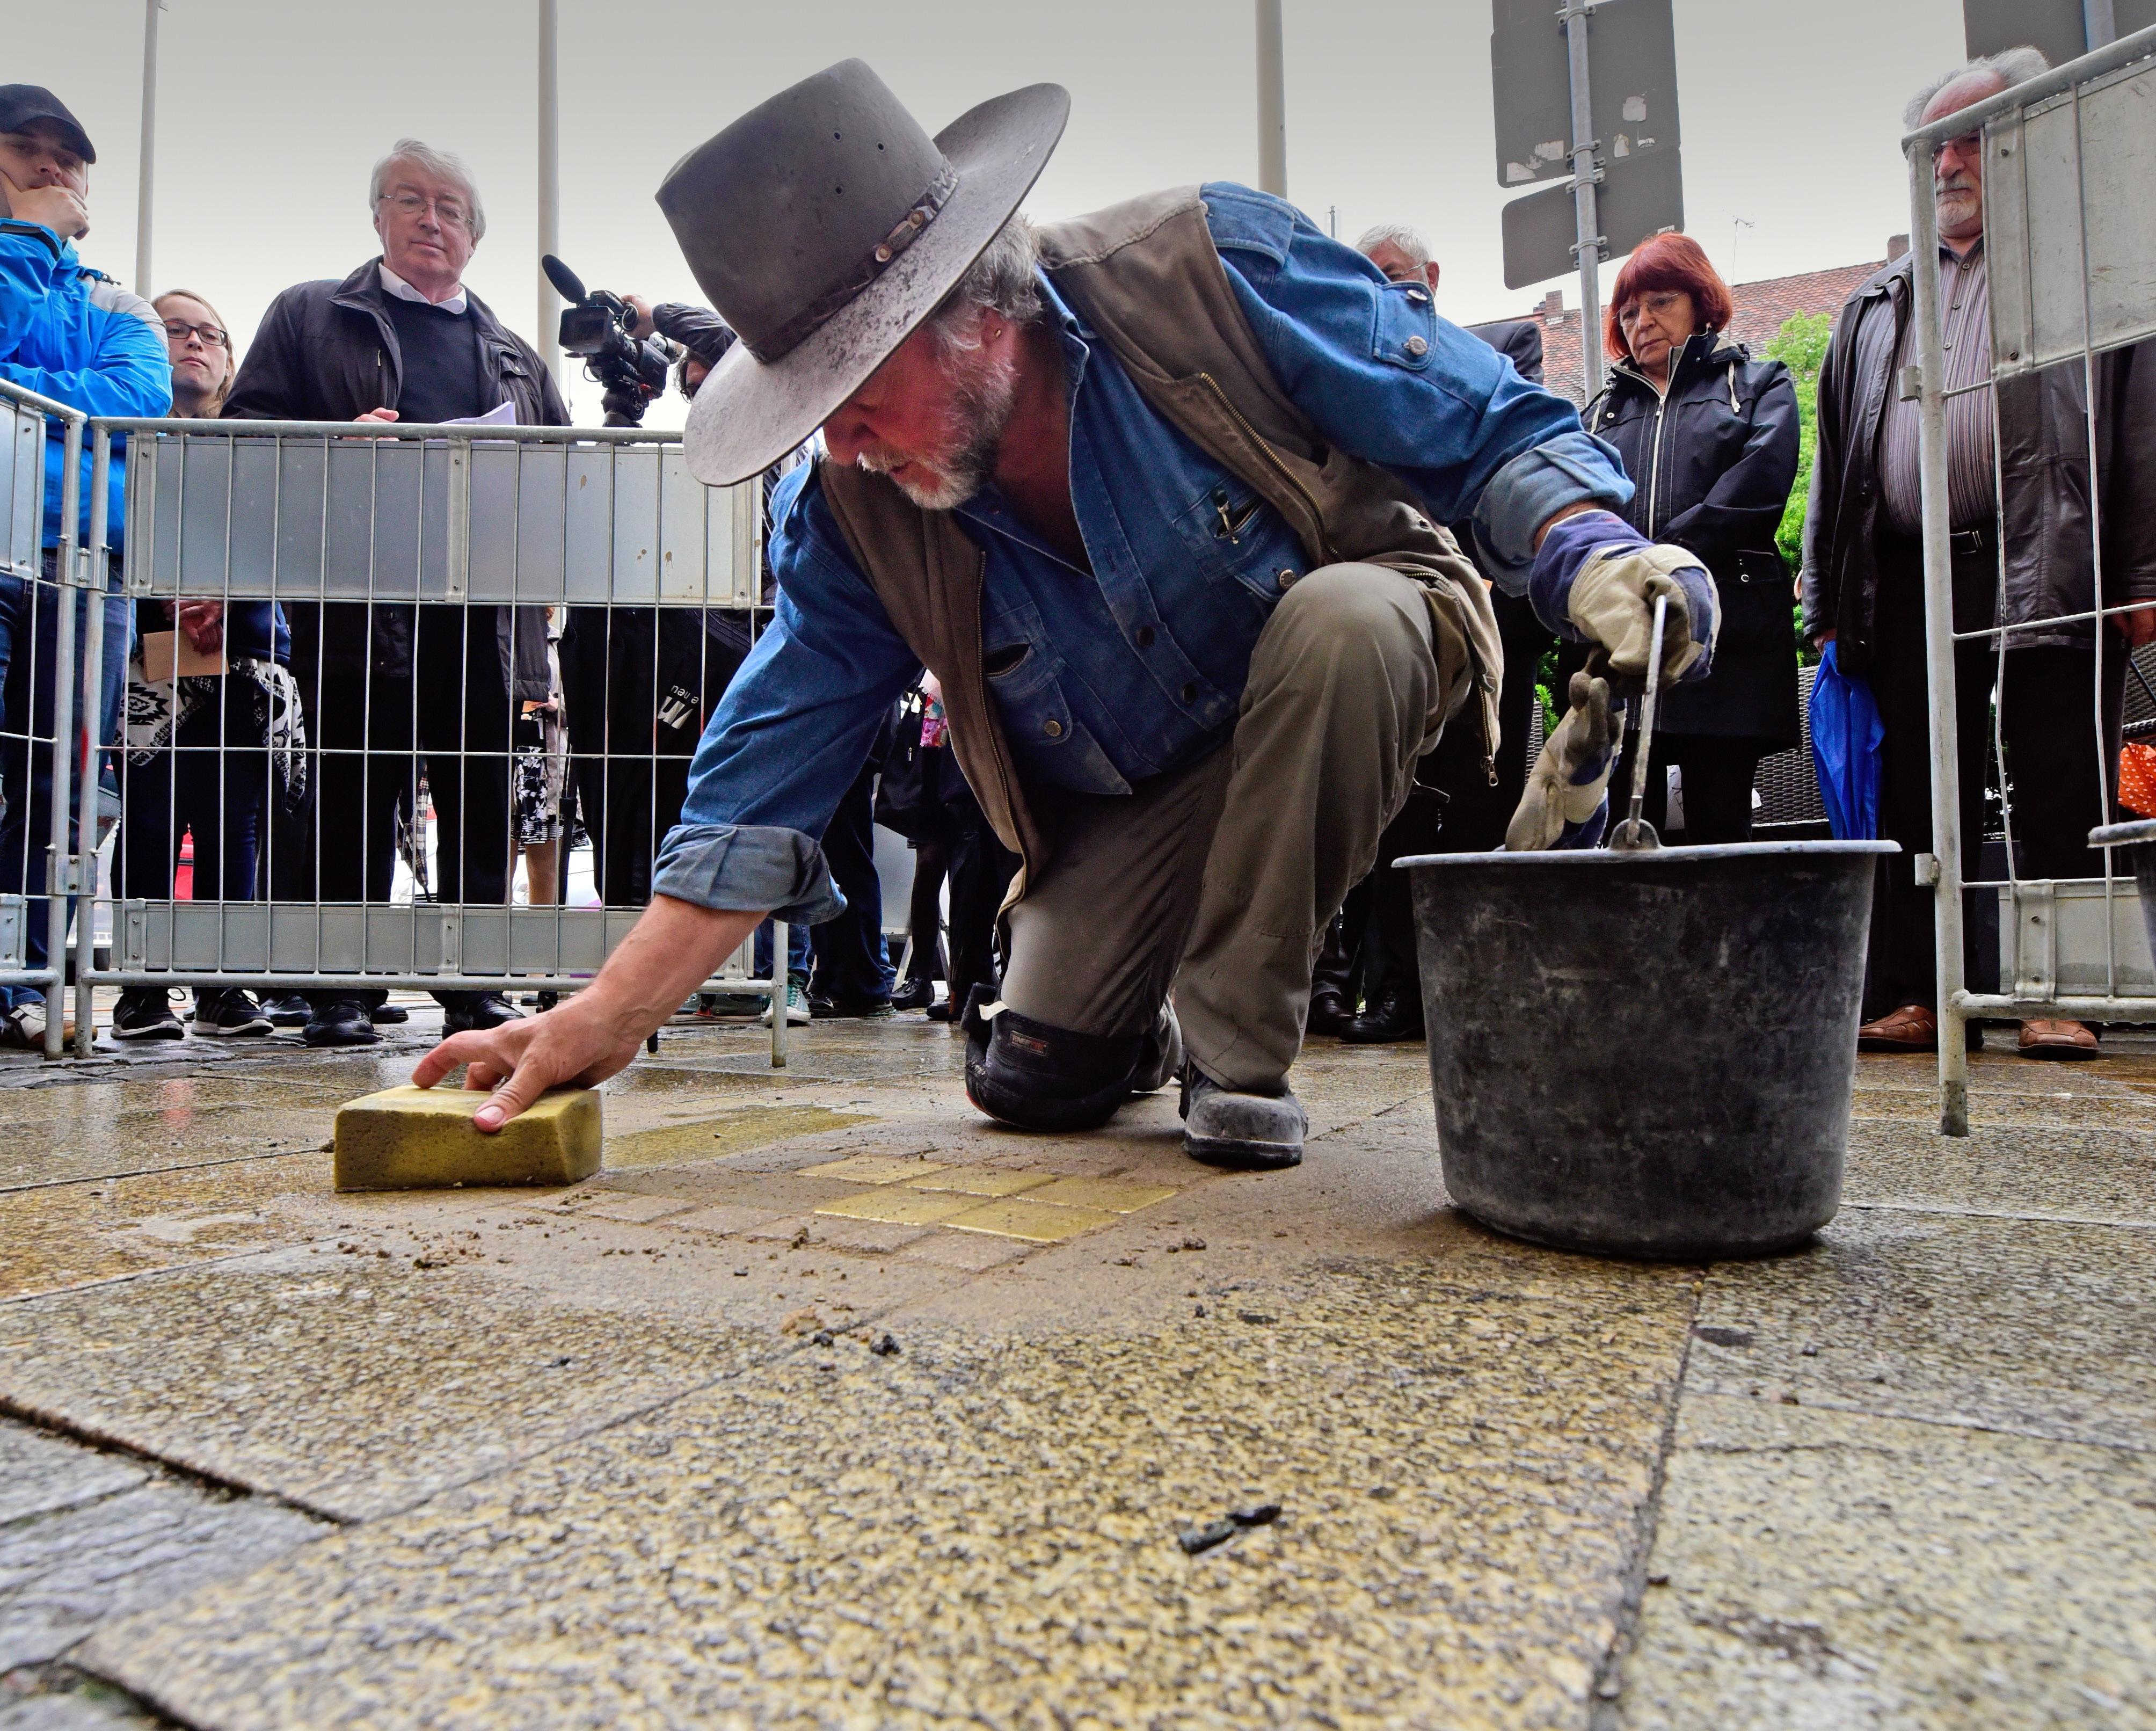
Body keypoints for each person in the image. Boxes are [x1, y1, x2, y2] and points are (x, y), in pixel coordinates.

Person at [417, 61, 1711, 1169]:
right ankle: (1128, 1021)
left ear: (976, 317)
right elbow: (767, 758)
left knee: (1345, 623)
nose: (848, 449)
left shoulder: (1207, 262)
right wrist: (606, 1014)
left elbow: (1472, 423)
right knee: (1035, 1082)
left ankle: (1236, 1054)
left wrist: (1590, 553)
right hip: (1138, 785)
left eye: (857, 392)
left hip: (1358, 663)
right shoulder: (856, 512)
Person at [1802, 49, 2156, 1061]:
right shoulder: (1873, 302)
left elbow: (2140, 434)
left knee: (2059, 773)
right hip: (1911, 570)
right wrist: (1828, 595)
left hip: (2048, 553)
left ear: (2024, 146)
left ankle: (2061, 991)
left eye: (1975, 138)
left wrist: (2140, 577)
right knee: (1917, 785)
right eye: (1936, 144)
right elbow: (1841, 458)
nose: (1951, 161)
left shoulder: (2088, 274)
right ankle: (1922, 986)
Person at [224, 139, 562, 1046]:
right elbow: (241, 432)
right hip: (358, 606)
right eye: (410, 200)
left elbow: (566, 481)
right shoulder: (309, 316)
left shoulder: (516, 357)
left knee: (481, 801)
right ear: (377, 216)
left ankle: (475, 990)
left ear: (475, 234)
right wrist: (332, 444)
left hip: (482, 616)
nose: (431, 219)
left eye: (451, 206)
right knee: (354, 791)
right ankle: (341, 989)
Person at [1320, 223, 1556, 1045]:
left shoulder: (1495, 352)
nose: (1384, 291)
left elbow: (1494, 462)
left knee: (1484, 807)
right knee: (1400, 813)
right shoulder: (1345, 375)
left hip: (1488, 615)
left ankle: (1475, 995)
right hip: (1402, 615)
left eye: (1395, 275)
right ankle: (1392, 995)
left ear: (1433, 277)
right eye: (1369, 279)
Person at [0, 87, 170, 1049]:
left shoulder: (116, 298)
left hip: (80, 568)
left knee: (64, 788)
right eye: (29, 151)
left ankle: (24, 977)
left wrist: (21, 384)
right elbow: (90, 406)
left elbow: (133, 401)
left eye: (67, 158)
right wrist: (21, 243)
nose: (54, 169)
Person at [112, 290, 301, 1041]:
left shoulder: (253, 444)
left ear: (229, 359)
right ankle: (140, 990)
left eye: (209, 333)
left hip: (248, 652)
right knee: (152, 820)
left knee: (235, 823)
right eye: (173, 329)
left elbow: (290, 542)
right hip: (153, 649)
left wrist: (229, 590)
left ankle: (224, 988)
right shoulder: (131, 435)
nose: (193, 342)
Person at [1580, 234, 1800, 843]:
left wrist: (1659, 556)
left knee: (1719, 821)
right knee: (1625, 828)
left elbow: (1757, 489)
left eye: (1659, 302)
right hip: (1626, 643)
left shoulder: (1757, 383)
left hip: (1727, 634)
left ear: (1699, 301)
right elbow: (1579, 511)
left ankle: (1724, 943)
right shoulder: (1597, 415)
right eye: (1627, 313)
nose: (1640, 322)